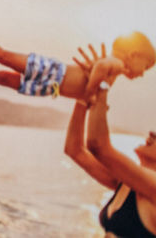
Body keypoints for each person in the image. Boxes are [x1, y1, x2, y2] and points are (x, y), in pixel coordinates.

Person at [64, 44, 156, 237]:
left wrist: (102, 84)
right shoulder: (126, 183)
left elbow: (98, 145)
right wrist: (83, 98)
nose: (153, 133)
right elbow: (74, 150)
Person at [0, 29, 155, 102]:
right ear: (135, 55)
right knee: (3, 57)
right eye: (146, 67)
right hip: (54, 73)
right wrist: (89, 93)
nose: (142, 74)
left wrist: (91, 95)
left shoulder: (116, 71)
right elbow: (99, 68)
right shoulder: (117, 64)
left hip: (52, 87)